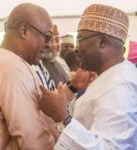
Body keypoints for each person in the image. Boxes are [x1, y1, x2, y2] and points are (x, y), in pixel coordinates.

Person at [39, 4, 137, 150]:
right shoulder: (111, 75)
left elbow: (111, 148)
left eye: (80, 39)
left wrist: (62, 116)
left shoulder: (120, 85)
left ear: (103, 42)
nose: (76, 48)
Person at [0, 3, 60, 150]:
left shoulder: (1, 61)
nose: (48, 45)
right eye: (46, 37)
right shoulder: (11, 69)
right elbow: (33, 140)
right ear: (23, 31)